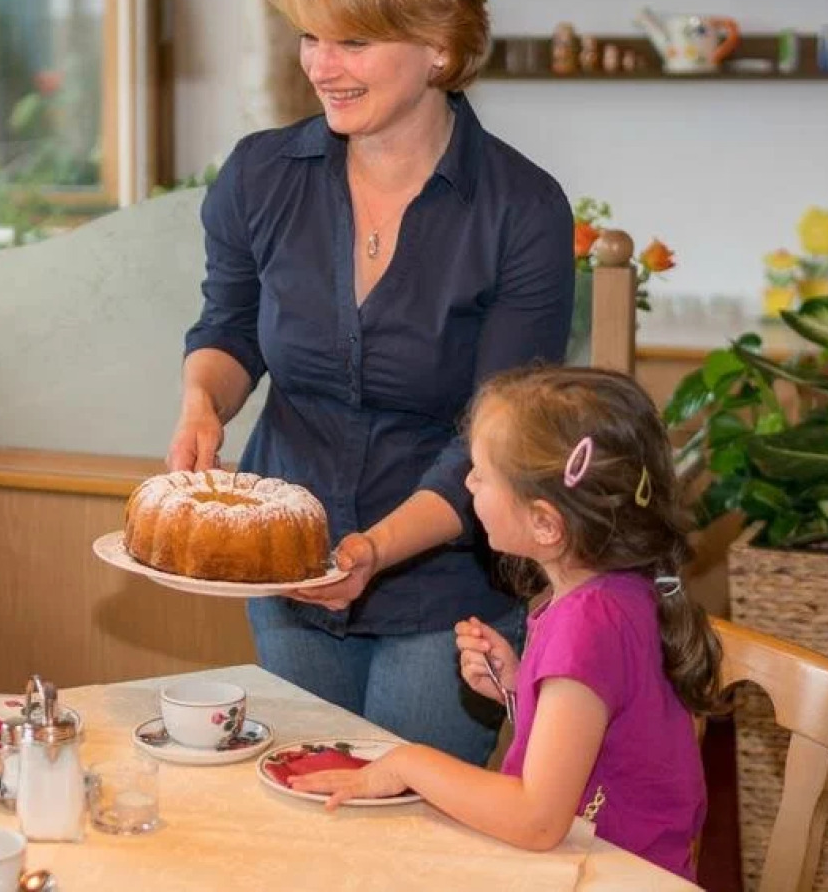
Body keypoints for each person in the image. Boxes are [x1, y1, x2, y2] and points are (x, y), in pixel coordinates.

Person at [170, 0, 575, 765]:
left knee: (409, 833)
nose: (322, 65)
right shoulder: (260, 175)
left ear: (439, 45)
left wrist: (372, 550)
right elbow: (230, 325)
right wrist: (204, 401)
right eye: (311, 36)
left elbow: (496, 435)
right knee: (303, 807)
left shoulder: (520, 210)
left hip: (446, 582)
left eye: (352, 41)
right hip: (288, 563)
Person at [299, 366, 718, 880]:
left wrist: (409, 763)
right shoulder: (616, 593)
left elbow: (538, 819)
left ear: (545, 522)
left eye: (481, 472)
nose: (468, 483)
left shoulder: (588, 622)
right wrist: (524, 689)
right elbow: (601, 741)